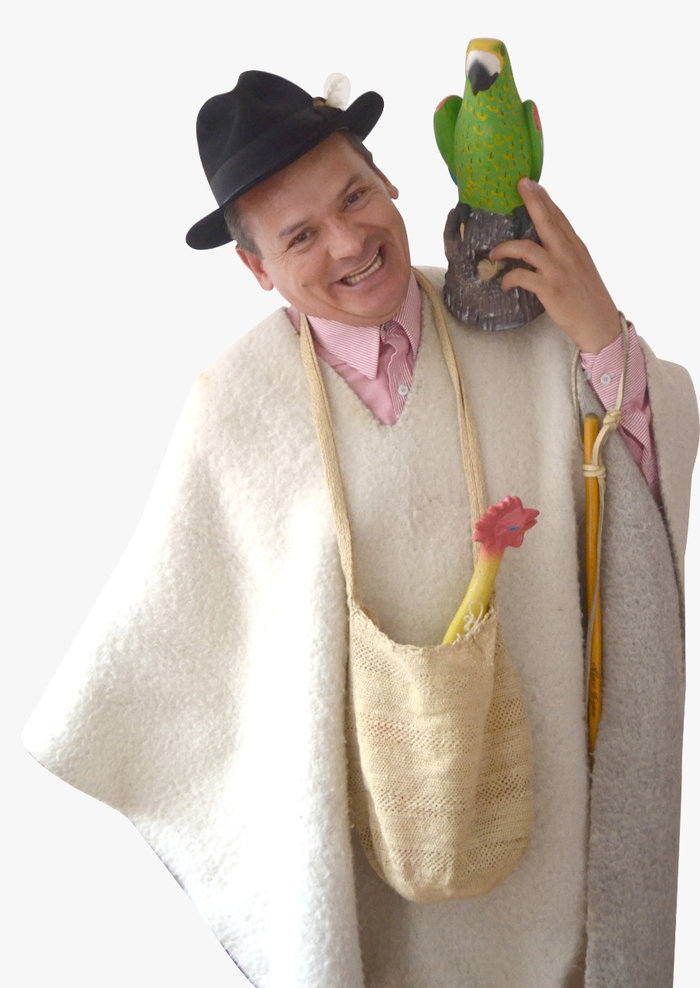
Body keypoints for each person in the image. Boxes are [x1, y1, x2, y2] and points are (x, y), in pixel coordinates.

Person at [24, 70, 698, 988]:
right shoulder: (237, 406)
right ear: (256, 268)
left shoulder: (523, 329)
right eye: (300, 235)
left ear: (389, 181)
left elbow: (639, 516)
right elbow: (177, 649)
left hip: (546, 855)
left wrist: (601, 336)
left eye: (354, 196)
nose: (348, 243)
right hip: (365, 873)